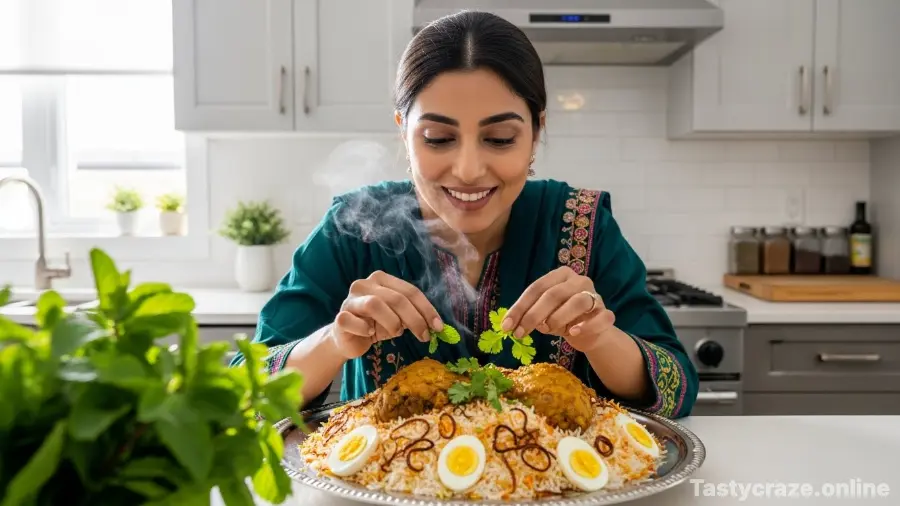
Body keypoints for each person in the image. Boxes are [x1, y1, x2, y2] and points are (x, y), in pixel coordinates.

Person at [231, 10, 698, 419]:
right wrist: (335, 341)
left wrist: (601, 338)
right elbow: (245, 389)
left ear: (537, 132)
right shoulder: (355, 223)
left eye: (499, 139)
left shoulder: (583, 222)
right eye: (437, 138)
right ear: (404, 132)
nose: (470, 170)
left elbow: (677, 387)